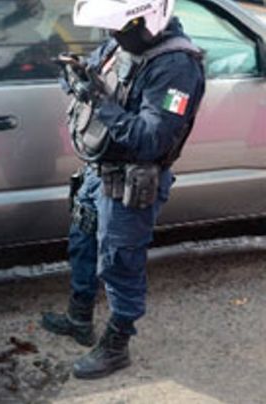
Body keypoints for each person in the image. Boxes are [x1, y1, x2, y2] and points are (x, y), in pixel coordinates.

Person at [41, 0, 206, 379]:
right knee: (83, 236)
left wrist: (97, 101)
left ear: (146, 20)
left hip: (133, 179)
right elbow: (98, 77)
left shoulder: (176, 66)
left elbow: (150, 138)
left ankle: (117, 345)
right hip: (102, 167)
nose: (112, 36)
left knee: (120, 261)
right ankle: (79, 318)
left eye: (119, 29)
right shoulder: (124, 42)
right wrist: (76, 78)